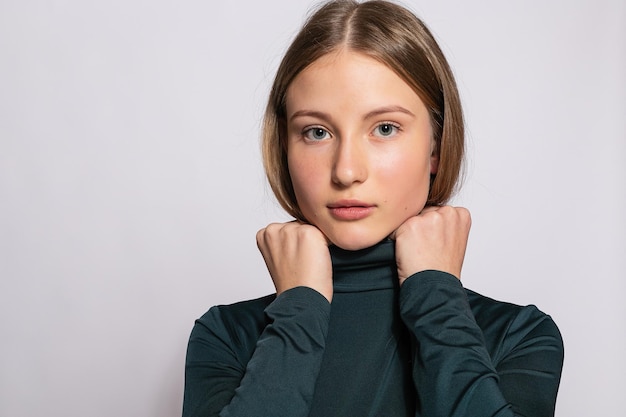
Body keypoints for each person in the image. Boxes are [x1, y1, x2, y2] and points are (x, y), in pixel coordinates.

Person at [182, 1, 564, 416]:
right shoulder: (225, 337)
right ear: (284, 148)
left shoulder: (517, 336)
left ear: (435, 147)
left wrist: (435, 297)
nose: (346, 171)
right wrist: (298, 315)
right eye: (316, 131)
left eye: (385, 128)